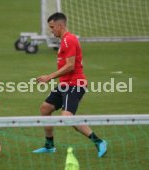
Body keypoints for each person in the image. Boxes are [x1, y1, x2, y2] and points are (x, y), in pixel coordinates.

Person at [33, 12, 107, 158]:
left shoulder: (69, 40)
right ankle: (49, 146)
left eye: (52, 27)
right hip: (65, 85)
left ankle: (99, 141)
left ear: (60, 26)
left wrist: (49, 77)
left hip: (75, 85)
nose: (51, 30)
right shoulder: (64, 41)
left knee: (67, 116)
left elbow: (70, 66)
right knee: (45, 108)